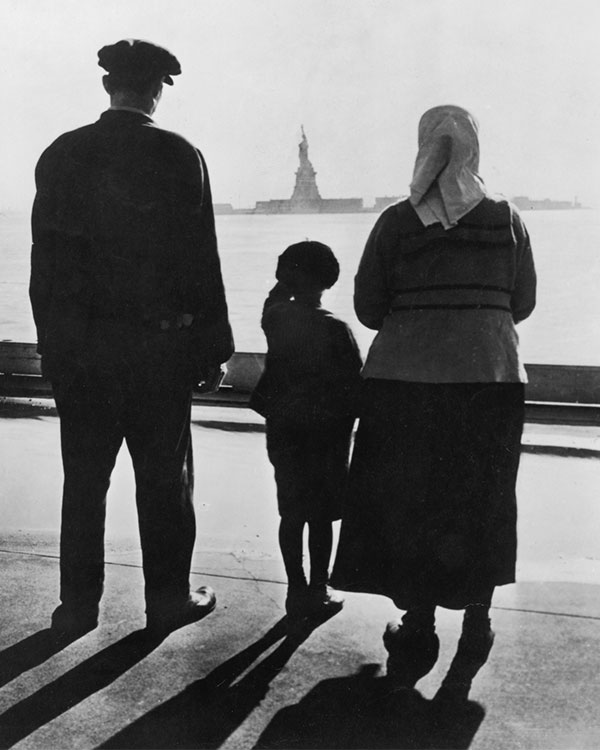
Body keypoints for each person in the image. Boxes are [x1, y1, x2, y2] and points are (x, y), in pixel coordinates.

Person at [29, 39, 234, 640]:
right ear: (157, 90)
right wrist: (213, 348)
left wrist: (53, 346)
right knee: (164, 482)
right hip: (158, 351)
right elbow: (201, 259)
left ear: (106, 86)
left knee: (85, 480)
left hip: (81, 351)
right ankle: (168, 600)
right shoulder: (178, 154)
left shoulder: (60, 154)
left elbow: (46, 264)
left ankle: (76, 607)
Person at [332, 105, 536, 700]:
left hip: (405, 384)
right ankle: (478, 617)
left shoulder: (397, 223)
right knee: (483, 496)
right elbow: (520, 303)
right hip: (490, 378)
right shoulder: (508, 219)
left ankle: (418, 622)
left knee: (410, 499)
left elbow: (369, 308)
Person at [250, 241, 362, 625]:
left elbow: (272, 301)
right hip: (326, 438)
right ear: (330, 281)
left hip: (284, 431)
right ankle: (318, 587)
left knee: (291, 511)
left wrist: (284, 279)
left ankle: (295, 588)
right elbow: (356, 391)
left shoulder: (277, 319)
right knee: (322, 517)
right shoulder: (338, 330)